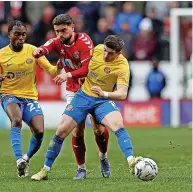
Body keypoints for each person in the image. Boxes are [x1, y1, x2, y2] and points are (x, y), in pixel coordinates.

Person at [31, 35, 143, 181]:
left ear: (119, 53)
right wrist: (64, 62)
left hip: (102, 100)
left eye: (110, 53)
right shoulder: (96, 50)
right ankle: (45, 170)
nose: (105, 55)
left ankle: (129, 161)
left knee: (114, 126)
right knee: (62, 130)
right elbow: (80, 61)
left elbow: (122, 94)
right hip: (83, 96)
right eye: (105, 51)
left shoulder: (122, 66)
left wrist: (104, 93)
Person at [33, 14, 110, 180]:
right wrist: (39, 51)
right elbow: (45, 48)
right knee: (77, 128)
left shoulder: (84, 41)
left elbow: (86, 70)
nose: (60, 34)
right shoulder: (57, 42)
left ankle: (103, 157)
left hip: (92, 88)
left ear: (72, 27)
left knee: (99, 129)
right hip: (74, 91)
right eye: (57, 31)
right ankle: (81, 168)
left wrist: (66, 75)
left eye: (63, 30)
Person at [0, 20, 61, 177]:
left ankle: (25, 158)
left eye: (23, 34)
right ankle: (18, 160)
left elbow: (52, 70)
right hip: (8, 94)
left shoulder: (33, 51)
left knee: (40, 131)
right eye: (17, 34)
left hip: (29, 97)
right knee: (16, 120)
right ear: (9, 35)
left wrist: (61, 65)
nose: (21, 37)